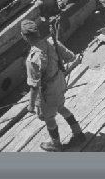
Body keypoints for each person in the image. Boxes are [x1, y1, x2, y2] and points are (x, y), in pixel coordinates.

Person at [21, 19, 85, 152]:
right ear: (37, 32)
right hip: (60, 83)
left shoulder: (32, 59)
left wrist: (31, 105)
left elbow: (34, 86)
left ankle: (55, 144)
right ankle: (78, 133)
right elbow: (71, 56)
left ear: (24, 36)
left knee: (48, 118)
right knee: (61, 107)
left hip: (47, 93)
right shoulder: (51, 42)